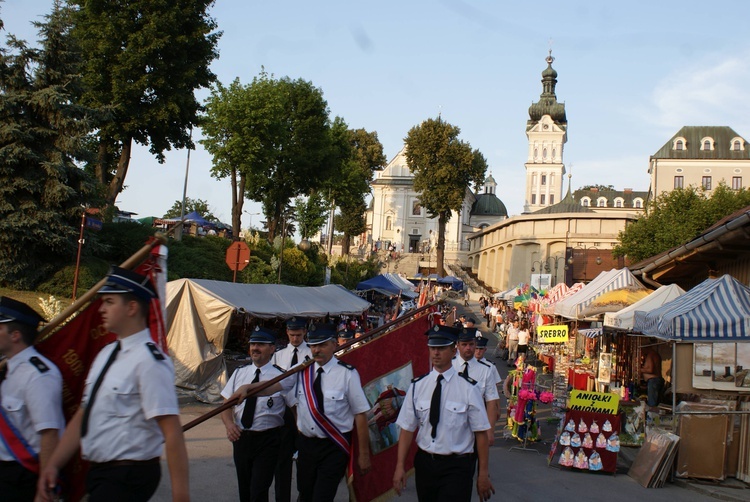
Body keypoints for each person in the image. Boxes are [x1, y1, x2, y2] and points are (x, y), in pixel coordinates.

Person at [37, 267, 189, 502]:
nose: (101, 309)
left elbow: (171, 430)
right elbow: (83, 415)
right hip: (99, 471)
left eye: (109, 302)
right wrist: (54, 465)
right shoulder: (106, 353)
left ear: (131, 307)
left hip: (128, 475)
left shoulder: (150, 361)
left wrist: (181, 495)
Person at [230, 323, 371, 502]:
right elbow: (272, 386)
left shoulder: (347, 374)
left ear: (334, 345)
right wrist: (248, 388)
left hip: (334, 446)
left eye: (322, 345)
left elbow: (360, 414)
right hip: (306, 445)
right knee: (305, 494)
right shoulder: (301, 371)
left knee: (322, 496)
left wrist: (364, 454)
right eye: (313, 345)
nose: (316, 350)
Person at [392, 325, 494, 502]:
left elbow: (480, 433)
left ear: (453, 350)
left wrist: (482, 474)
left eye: (441, 348)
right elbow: (407, 428)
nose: (436, 353)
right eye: (432, 348)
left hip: (457, 466)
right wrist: (400, 466)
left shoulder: (469, 388)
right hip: (425, 464)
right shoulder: (417, 386)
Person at [0, 297, 64, 502]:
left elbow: (49, 434)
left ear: (15, 335)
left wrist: (44, 489)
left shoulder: (38, 375)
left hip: (21, 476)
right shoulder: (9, 369)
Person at [221, 326, 294, 502]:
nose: (255, 348)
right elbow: (225, 404)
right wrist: (230, 425)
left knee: (258, 491)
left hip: (267, 440)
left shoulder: (280, 377)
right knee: (245, 491)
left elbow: (294, 408)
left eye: (261, 344)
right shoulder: (240, 373)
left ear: (272, 348)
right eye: (253, 344)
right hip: (242, 439)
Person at [271, 317, 311, 502]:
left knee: (305, 462)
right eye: (292, 334)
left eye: (299, 335)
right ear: (287, 332)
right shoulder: (279, 355)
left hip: (304, 409)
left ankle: (305, 496)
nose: (295, 338)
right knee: (282, 461)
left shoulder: (312, 353)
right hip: (284, 411)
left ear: (304, 332)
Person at [452, 328, 500, 446]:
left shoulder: (485, 370)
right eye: (464, 344)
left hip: (476, 425)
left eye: (471, 344)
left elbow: (491, 401)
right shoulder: (449, 366)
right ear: (457, 346)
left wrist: (490, 431)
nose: (468, 348)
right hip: (451, 425)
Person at [640, 344, 664, 411]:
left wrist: (639, 370)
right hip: (655, 380)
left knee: (652, 403)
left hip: (653, 380)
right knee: (655, 401)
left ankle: (651, 416)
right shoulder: (654, 354)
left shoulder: (650, 355)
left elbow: (650, 369)